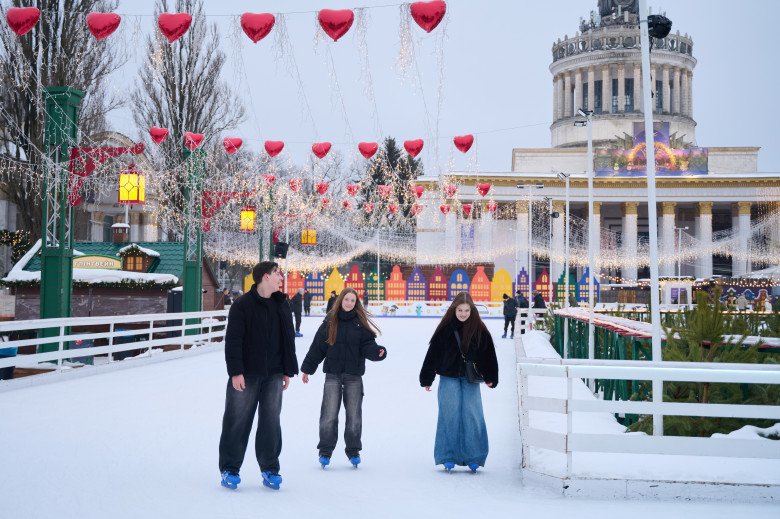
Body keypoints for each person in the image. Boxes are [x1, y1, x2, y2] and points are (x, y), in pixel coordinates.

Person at [218, 261, 299, 491]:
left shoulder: (282, 303)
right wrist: (236, 372)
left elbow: (287, 339)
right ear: (265, 277)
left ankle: (270, 468)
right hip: (247, 373)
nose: (281, 277)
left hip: (273, 373)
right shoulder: (243, 305)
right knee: (237, 420)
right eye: (277, 273)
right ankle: (230, 469)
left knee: (271, 422)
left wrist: (286, 370)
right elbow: (233, 341)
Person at [300, 287, 386, 468]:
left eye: (352, 301)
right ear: (341, 300)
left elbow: (368, 345)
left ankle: (353, 451)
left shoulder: (360, 324)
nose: (349, 303)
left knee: (354, 415)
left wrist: (378, 352)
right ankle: (325, 451)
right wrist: (308, 368)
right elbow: (318, 347)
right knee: (329, 414)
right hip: (332, 375)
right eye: (346, 299)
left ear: (356, 303)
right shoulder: (330, 322)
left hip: (354, 377)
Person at [419, 292, 498, 473]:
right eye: (460, 310)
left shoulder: (479, 330)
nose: (463, 314)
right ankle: (448, 455)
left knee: (473, 415)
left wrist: (491, 376)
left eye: (466, 310)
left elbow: (488, 355)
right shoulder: (445, 329)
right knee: (449, 415)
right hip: (448, 377)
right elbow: (433, 355)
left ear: (472, 311)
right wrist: (427, 377)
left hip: (471, 379)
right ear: (454, 309)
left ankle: (474, 456)